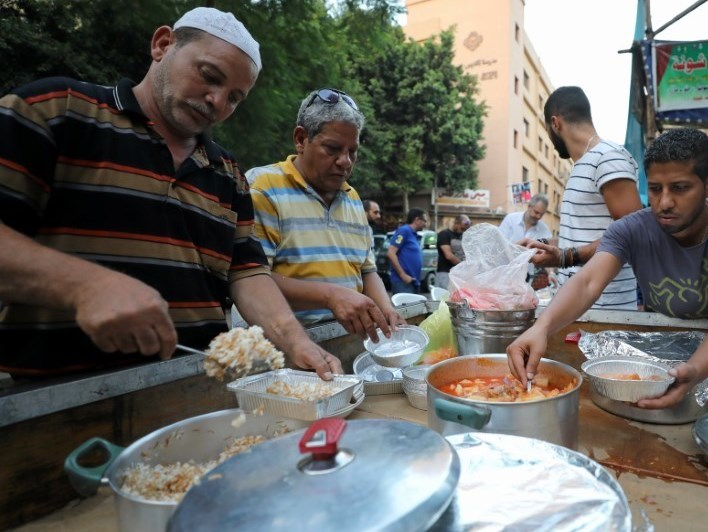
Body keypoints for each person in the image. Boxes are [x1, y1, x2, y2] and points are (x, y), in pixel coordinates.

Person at [0, 7, 342, 379]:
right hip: (52, 406)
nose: (216, 101)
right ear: (163, 45)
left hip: (195, 394)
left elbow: (246, 274)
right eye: (209, 76)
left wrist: (294, 341)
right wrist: (86, 286)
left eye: (234, 98)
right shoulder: (55, 111)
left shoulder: (227, 174)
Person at [507, 128, 708, 409]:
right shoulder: (632, 229)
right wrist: (541, 327)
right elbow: (587, 283)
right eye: (656, 189)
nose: (664, 203)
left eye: (680, 188)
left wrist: (695, 370)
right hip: (659, 362)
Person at [245, 88, 402, 341]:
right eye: (332, 149)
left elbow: (366, 270)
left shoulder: (352, 197)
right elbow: (251, 279)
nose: (345, 161)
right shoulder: (263, 187)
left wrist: (386, 309)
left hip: (344, 340)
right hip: (279, 344)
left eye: (353, 151)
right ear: (300, 139)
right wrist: (331, 296)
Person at [528, 86, 643, 309]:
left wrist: (564, 257)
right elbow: (587, 237)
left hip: (606, 311)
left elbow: (634, 233)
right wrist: (542, 245)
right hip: (578, 310)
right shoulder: (584, 164)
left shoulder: (608, 157)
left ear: (555, 123)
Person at [387, 208, 428, 294]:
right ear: (417, 220)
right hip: (403, 282)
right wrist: (403, 275)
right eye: (424, 220)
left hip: (413, 282)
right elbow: (391, 253)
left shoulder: (413, 234)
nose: (425, 224)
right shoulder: (404, 230)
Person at [436, 214, 471, 290]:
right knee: (444, 299)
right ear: (456, 223)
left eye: (465, 229)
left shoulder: (462, 236)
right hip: (445, 273)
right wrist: (464, 266)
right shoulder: (444, 234)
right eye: (462, 228)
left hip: (458, 274)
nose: (463, 230)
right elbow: (449, 255)